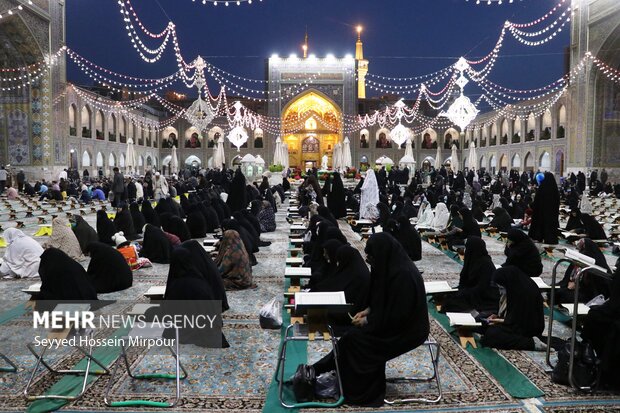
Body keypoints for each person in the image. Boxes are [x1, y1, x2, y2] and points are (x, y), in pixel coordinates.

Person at [312, 233, 429, 406]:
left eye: (371, 257)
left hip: (409, 331)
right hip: (392, 323)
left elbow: (398, 315)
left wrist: (369, 321)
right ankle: (323, 371)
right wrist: (367, 311)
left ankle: (360, 391)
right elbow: (382, 299)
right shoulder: (389, 267)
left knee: (357, 341)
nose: (369, 261)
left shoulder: (404, 275)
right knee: (352, 337)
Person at [481, 266, 545, 351]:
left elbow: (520, 323)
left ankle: (532, 343)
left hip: (527, 330)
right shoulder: (514, 287)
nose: (500, 292)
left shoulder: (524, 293)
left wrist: (500, 322)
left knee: (492, 335)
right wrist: (498, 318)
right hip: (515, 325)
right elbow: (511, 315)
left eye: (501, 288)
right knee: (483, 324)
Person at [441, 237, 499, 314]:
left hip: (482, 297)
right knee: (445, 298)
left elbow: (483, 288)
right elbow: (464, 280)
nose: (465, 250)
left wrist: (464, 293)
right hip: (471, 293)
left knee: (451, 305)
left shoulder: (486, 264)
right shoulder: (471, 259)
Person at [555, 238, 612, 303]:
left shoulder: (597, 264)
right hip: (574, 288)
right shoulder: (579, 260)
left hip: (588, 294)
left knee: (562, 294)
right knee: (554, 290)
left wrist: (577, 285)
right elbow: (567, 279)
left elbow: (595, 287)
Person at [529, 171, 560, 244]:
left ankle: (538, 237)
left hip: (541, 212)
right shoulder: (555, 190)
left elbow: (537, 201)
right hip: (552, 213)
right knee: (550, 226)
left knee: (540, 224)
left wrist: (533, 206)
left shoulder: (542, 188)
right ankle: (550, 239)